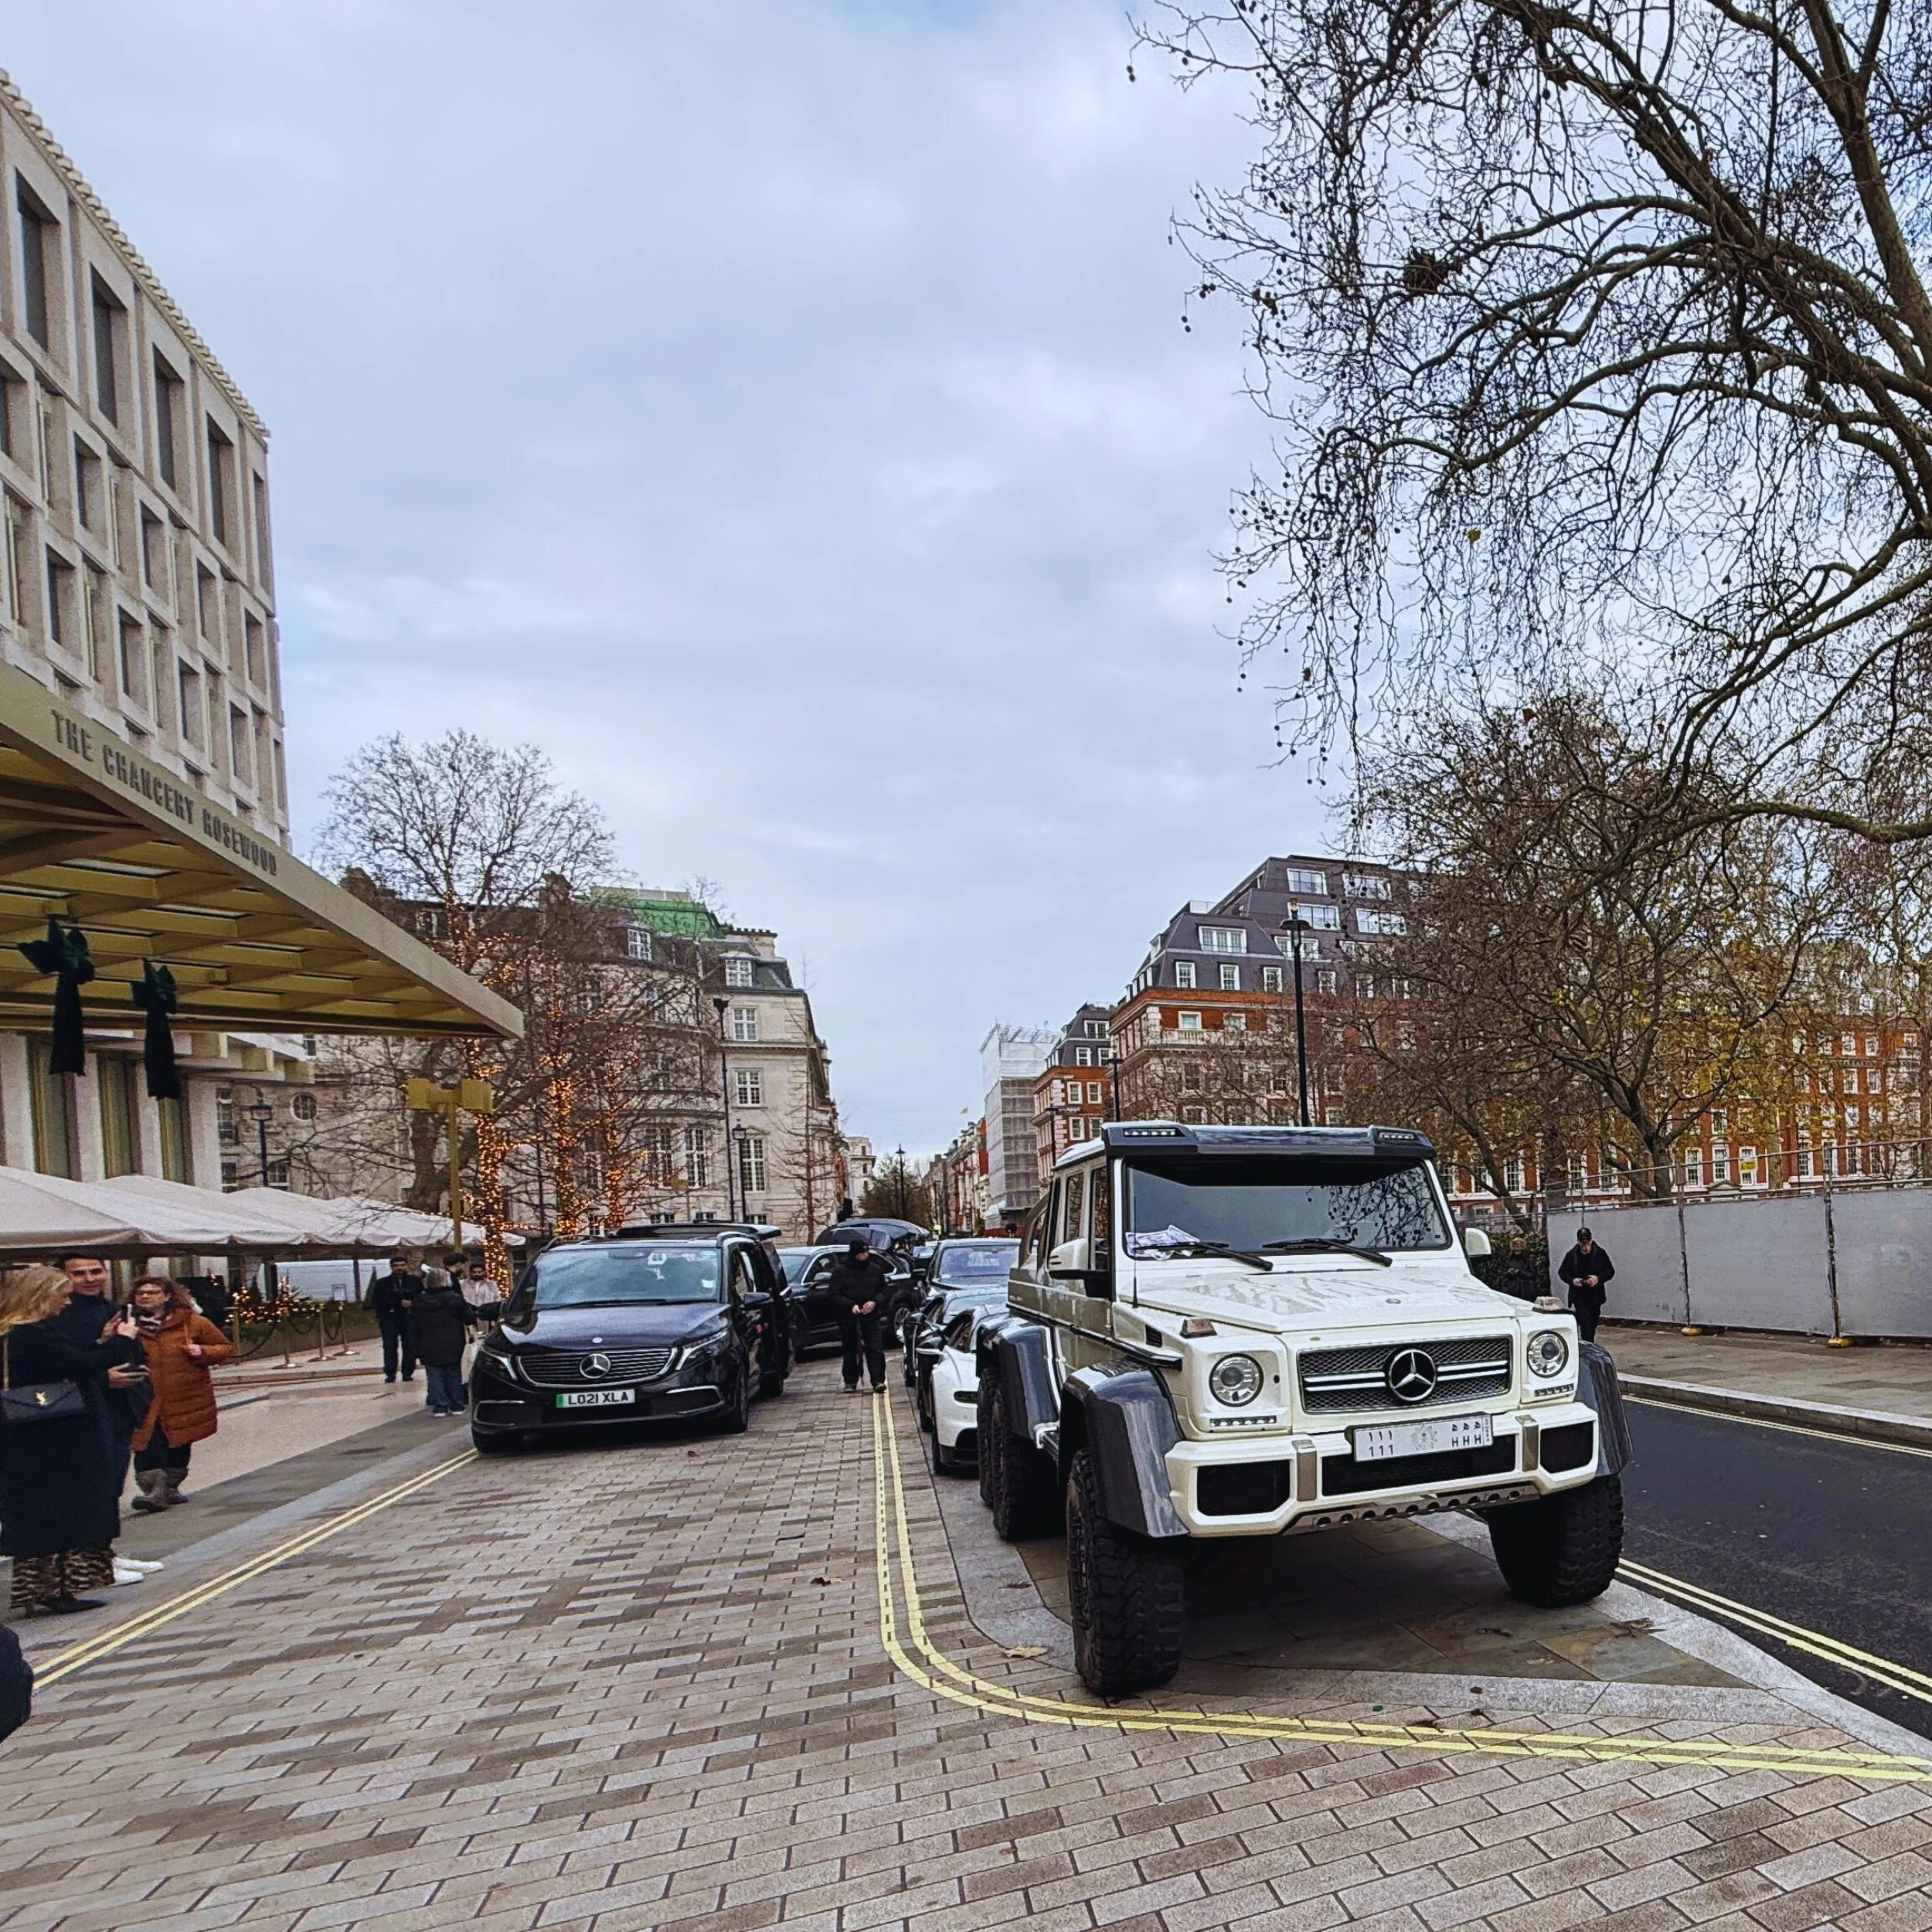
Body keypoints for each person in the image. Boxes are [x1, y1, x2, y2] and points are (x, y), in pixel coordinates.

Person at [0, 1264, 132, 1615]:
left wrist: (101, 1342)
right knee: (59, 1512)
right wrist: (122, 1341)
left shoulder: (17, 1333)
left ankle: (49, 1588)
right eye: (61, 1295)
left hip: (36, 1437)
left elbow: (66, 1362)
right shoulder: (31, 1333)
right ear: (40, 1296)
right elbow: (79, 1365)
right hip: (51, 1440)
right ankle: (54, 1590)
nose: (67, 1303)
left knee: (46, 1515)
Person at [53, 1256, 157, 1589]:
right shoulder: (59, 1317)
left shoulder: (111, 1308)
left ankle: (104, 1552)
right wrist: (103, 1372)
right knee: (94, 1489)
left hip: (120, 1408)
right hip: (84, 1413)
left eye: (95, 1271)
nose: (89, 1279)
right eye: (79, 1273)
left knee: (112, 1485)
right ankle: (94, 1561)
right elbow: (68, 1366)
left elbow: (126, 1352)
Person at [127, 1277, 234, 1511]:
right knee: (147, 1440)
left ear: (167, 1296)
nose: (146, 1297)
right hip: (144, 1395)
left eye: (153, 1292)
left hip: (184, 1394)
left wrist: (202, 1351)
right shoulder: (126, 1324)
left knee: (178, 1440)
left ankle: (171, 1487)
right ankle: (154, 1489)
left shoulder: (192, 1322)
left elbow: (224, 1347)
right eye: (141, 1293)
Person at [825, 1236, 891, 1394]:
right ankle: (850, 1381)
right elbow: (833, 1294)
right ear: (856, 1254)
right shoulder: (841, 1272)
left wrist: (874, 1302)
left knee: (875, 1349)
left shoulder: (875, 1270)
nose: (866, 1255)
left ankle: (878, 1381)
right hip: (848, 1318)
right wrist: (850, 1305)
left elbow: (884, 1290)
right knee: (850, 1350)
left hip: (871, 1316)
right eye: (863, 1252)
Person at [409, 1270, 472, 1416]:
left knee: (434, 1374)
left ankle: (440, 1406)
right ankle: (457, 1404)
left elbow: (412, 1325)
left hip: (427, 1341)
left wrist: (414, 1346)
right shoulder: (456, 1299)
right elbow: (469, 1318)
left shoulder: (419, 1301)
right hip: (453, 1341)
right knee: (454, 1373)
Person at [367, 1249, 422, 1383]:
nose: (400, 1268)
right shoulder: (383, 1283)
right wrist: (397, 1302)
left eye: (402, 1265)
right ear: (392, 1267)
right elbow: (377, 1301)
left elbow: (422, 1297)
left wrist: (412, 1303)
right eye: (397, 1266)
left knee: (410, 1346)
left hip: (409, 1318)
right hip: (390, 1318)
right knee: (390, 1346)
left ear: (406, 1266)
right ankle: (390, 1372)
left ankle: (407, 1372)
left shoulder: (414, 1281)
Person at [1557, 1226, 1615, 1342]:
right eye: (1582, 1242)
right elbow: (1562, 1272)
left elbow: (1610, 1271)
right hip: (1579, 1296)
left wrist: (1598, 1278)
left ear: (1591, 1240)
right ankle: (1588, 1345)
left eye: (1587, 1241)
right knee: (1585, 1325)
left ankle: (1588, 1342)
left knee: (1592, 1324)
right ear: (1578, 1241)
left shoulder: (1600, 1254)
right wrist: (1572, 1280)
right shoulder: (1572, 1255)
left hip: (1595, 1296)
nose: (1585, 1245)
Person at [1498, 1234, 1540, 1302]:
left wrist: (1520, 1272)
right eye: (1515, 1251)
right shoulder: (1508, 1260)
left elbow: (1533, 1275)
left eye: (1519, 1251)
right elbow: (1503, 1275)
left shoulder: (1528, 1261)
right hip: (1512, 1289)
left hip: (1526, 1290)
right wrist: (1509, 1273)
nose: (1517, 1252)